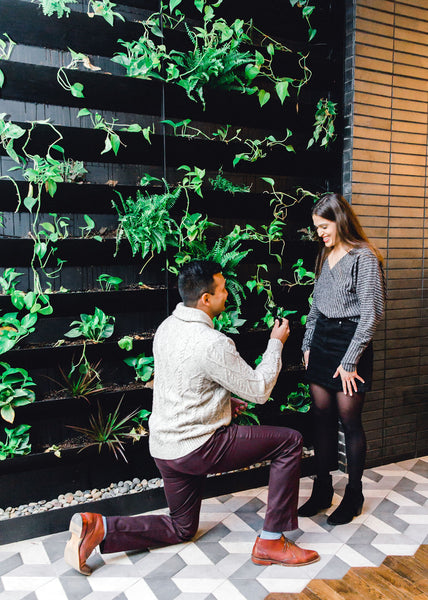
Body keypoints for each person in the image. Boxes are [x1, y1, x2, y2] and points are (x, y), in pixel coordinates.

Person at [64, 259, 320, 575]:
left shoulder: (166, 328)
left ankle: (100, 528)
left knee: (182, 527)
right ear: (206, 299)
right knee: (290, 441)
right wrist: (274, 345)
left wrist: (224, 403)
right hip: (198, 447)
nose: (228, 295)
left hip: (164, 448)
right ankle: (270, 541)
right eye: (223, 290)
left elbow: (185, 383)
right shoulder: (213, 342)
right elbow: (259, 390)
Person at [298, 193, 385, 525]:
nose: (320, 233)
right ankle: (322, 491)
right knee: (320, 416)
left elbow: (371, 314)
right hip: (321, 343)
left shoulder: (364, 257)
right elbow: (315, 306)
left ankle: (354, 494)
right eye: (317, 228)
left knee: (349, 420)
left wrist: (349, 362)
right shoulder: (325, 256)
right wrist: (308, 344)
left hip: (352, 344)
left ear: (340, 220)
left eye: (323, 226)